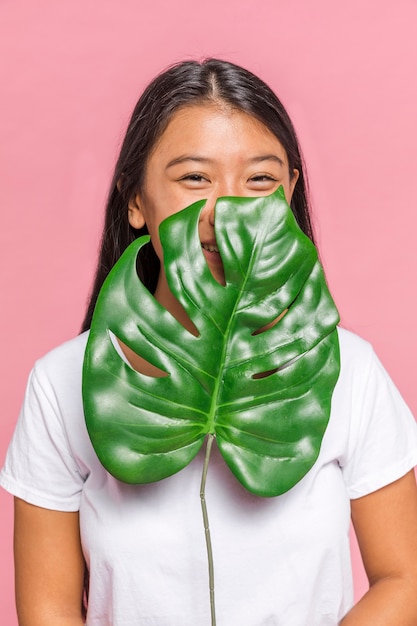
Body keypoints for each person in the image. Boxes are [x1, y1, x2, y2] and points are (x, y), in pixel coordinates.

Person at [2, 58, 417, 626]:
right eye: (195, 178)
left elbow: (405, 578)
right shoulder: (60, 384)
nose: (229, 213)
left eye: (261, 180)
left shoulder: (353, 370)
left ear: (290, 193)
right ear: (136, 200)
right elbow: (47, 607)